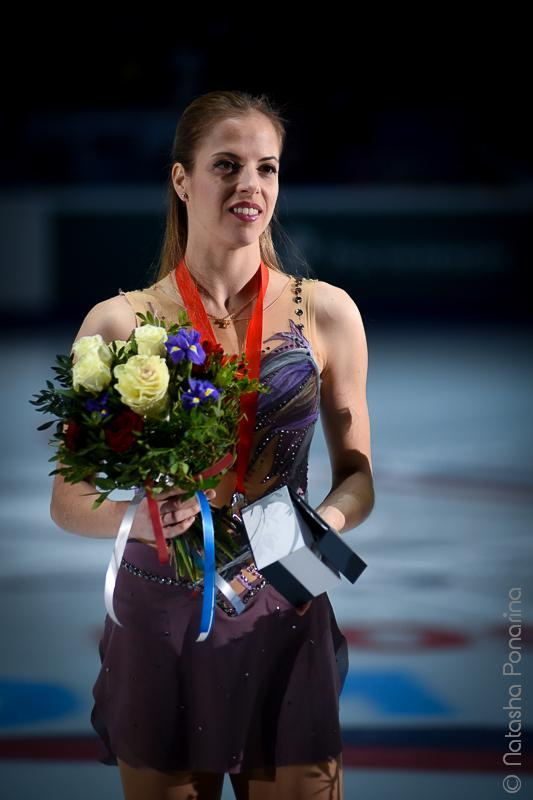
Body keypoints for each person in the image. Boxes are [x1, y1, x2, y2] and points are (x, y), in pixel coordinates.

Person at [50, 89, 374, 800]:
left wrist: (324, 525)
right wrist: (136, 517)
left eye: (267, 167)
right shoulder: (115, 324)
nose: (249, 186)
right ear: (181, 179)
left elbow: (357, 474)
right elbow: (68, 501)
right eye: (226, 166)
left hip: (288, 589)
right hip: (163, 607)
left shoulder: (325, 311)